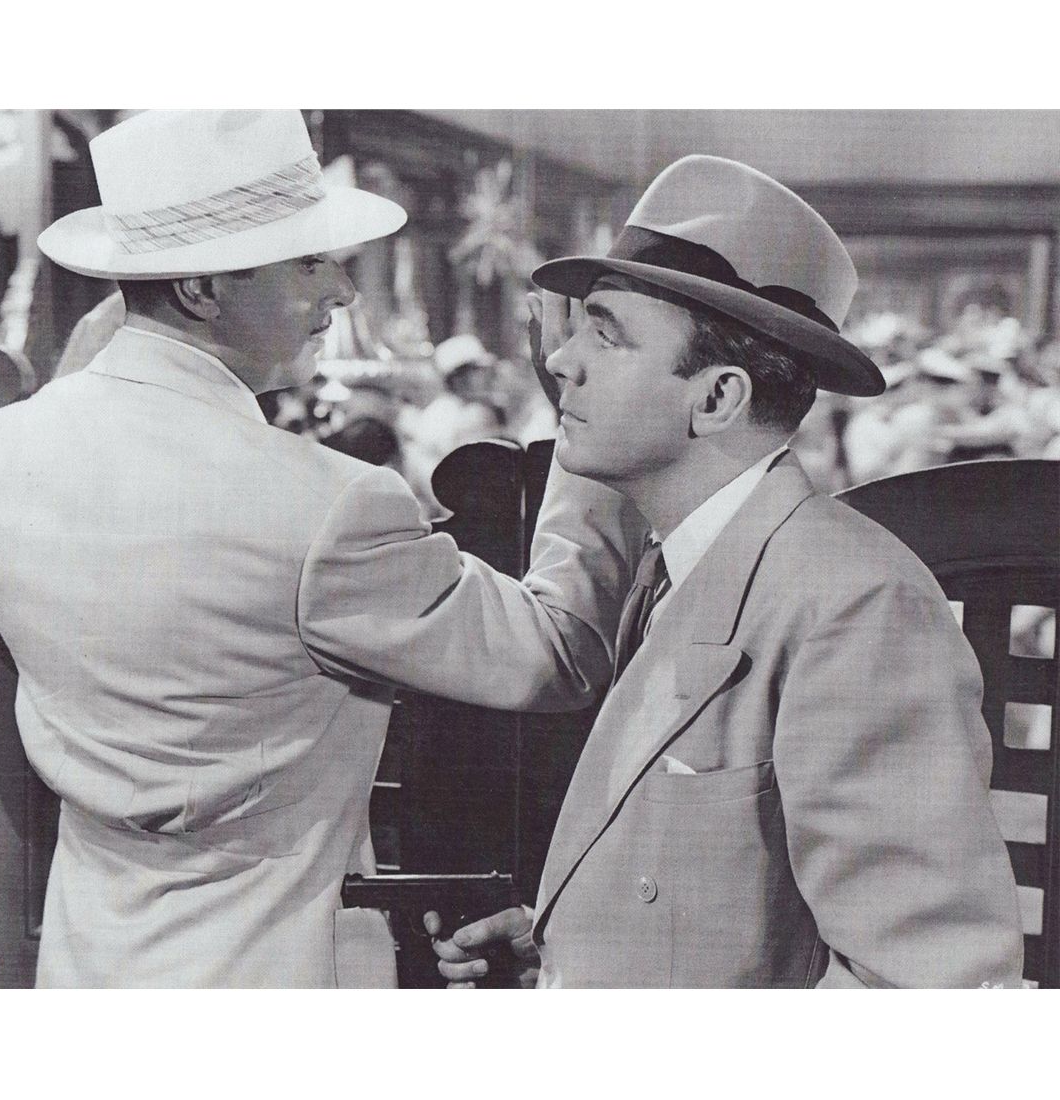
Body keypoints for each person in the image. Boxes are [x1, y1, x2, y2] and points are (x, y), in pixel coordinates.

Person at [0, 110, 645, 987]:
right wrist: (592, 425)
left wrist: (84, 376)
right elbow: (558, 654)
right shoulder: (329, 506)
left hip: (88, 968)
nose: (344, 291)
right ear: (201, 290)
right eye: (310, 261)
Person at [430, 155, 1023, 988]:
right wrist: (571, 949)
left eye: (605, 333)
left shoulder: (856, 606)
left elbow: (927, 989)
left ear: (716, 399)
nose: (559, 361)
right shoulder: (681, 564)